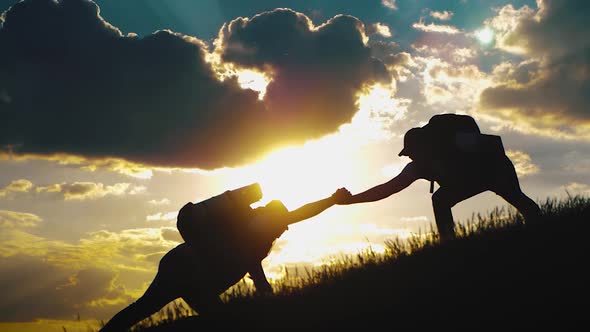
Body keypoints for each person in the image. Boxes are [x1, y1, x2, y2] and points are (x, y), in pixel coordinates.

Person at [99, 187, 352, 332]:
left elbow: (249, 259)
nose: (284, 228)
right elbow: (301, 213)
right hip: (191, 269)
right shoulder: (264, 224)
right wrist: (332, 200)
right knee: (217, 321)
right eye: (283, 222)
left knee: (145, 309)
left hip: (184, 264)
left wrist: (262, 286)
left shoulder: (253, 226)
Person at [337, 113, 541, 242]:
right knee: (440, 199)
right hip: (472, 178)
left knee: (521, 202)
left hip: (492, 169)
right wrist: (351, 200)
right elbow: (387, 189)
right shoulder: (418, 167)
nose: (410, 157)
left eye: (411, 152)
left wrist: (494, 174)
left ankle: (542, 228)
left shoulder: (454, 141)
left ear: (424, 146)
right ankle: (449, 245)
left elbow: (494, 143)